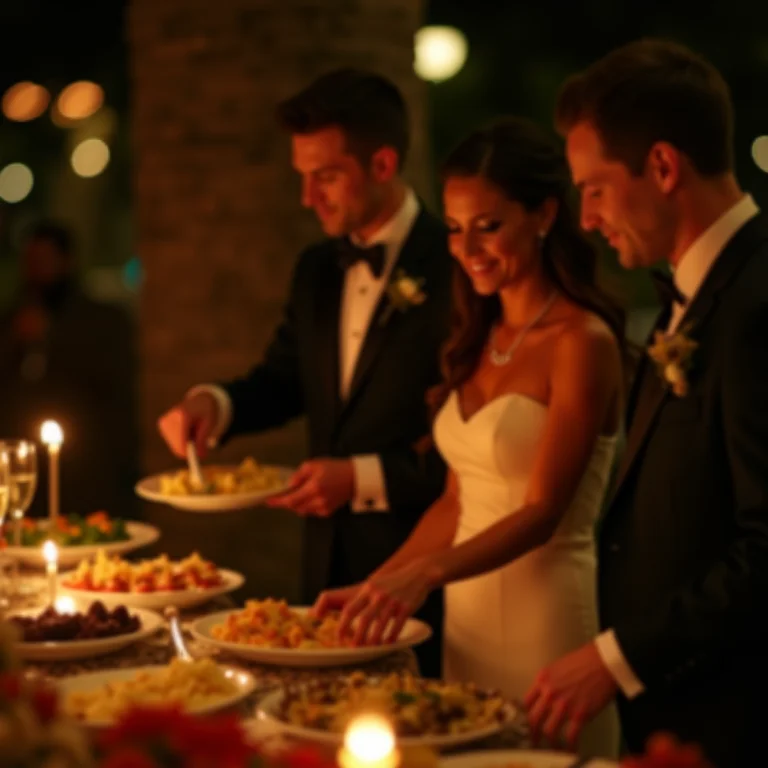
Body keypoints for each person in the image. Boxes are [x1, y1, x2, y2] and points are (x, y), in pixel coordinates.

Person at [314, 117, 627, 758]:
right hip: (466, 621)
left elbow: (542, 512)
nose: (468, 247)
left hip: (548, 619)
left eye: (489, 226)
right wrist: (380, 584)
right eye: (455, 229)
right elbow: (457, 503)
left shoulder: (581, 341)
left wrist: (423, 577)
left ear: (543, 214)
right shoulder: (478, 338)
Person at [157, 68, 451, 677]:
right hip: (324, 564)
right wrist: (216, 403)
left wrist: (363, 478)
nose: (307, 198)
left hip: (422, 566)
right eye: (303, 178)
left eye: (326, 178)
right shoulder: (317, 267)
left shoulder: (458, 266)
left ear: (383, 164)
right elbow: (284, 378)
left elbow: (471, 446)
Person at [524, 39, 768, 768]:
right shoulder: (692, 295)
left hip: (736, 715)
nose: (586, 217)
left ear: (662, 167)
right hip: (677, 705)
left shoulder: (758, 306)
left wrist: (619, 656)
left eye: (594, 188)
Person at [0, 220, 138, 519]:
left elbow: (109, 378)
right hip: (29, 468)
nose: (36, 270)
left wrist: (52, 335)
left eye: (44, 261)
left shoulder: (102, 319)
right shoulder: (12, 317)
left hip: (86, 469)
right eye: (30, 262)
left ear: (66, 262)